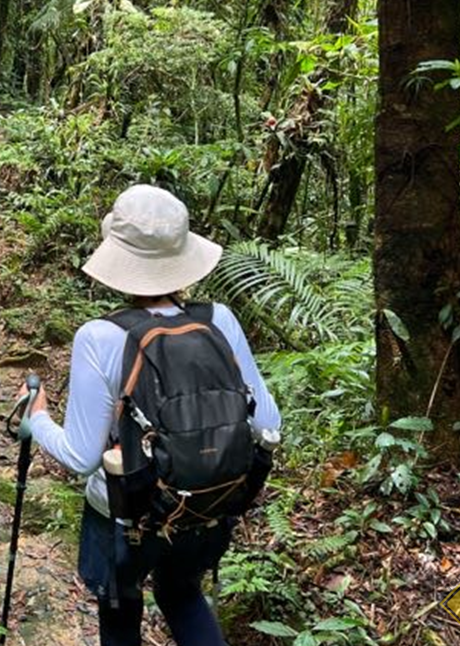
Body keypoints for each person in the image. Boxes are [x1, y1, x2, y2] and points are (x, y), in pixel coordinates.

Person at [19, 184, 281, 646]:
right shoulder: (219, 319)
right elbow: (266, 423)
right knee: (182, 596)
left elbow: (82, 457)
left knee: (120, 609)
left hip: (125, 515)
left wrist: (36, 417)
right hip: (205, 508)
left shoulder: (99, 336)